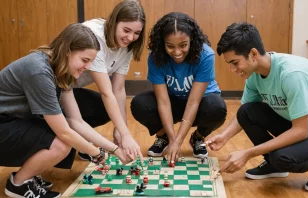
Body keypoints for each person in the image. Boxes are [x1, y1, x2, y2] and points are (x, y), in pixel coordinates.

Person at [209, 22, 308, 192]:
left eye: (235, 62)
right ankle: (274, 165)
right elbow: (244, 114)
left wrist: (248, 153)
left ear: (253, 54)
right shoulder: (254, 76)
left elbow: (301, 131)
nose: (233, 69)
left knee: (281, 157)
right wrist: (224, 136)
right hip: (306, 124)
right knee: (247, 112)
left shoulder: (291, 74)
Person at [0, 23, 132, 198]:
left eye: (91, 61)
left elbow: (76, 121)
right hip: (4, 124)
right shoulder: (39, 71)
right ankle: (17, 185)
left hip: (13, 120)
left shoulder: (61, 71)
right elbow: (65, 132)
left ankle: (28, 175)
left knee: (63, 137)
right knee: (62, 143)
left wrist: (114, 149)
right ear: (68, 50)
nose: (87, 66)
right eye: (85, 60)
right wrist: (98, 153)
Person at [130, 12, 227, 163]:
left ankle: (198, 137)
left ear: (192, 40)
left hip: (200, 104)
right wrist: (172, 138)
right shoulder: (155, 57)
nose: (177, 52)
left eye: (183, 45)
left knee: (217, 107)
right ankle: (163, 137)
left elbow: (193, 102)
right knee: (140, 103)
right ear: (162, 43)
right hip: (172, 102)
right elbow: (163, 101)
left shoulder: (205, 55)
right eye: (170, 46)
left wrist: (179, 141)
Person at [74, 0, 146, 161]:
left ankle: (83, 141)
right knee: (98, 107)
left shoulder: (127, 46)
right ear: (114, 22)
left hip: (72, 89)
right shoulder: (94, 36)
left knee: (105, 110)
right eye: (126, 30)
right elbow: (106, 93)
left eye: (136, 33)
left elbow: (119, 89)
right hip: (56, 87)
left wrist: (120, 130)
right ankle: (79, 142)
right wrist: (125, 135)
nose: (130, 37)